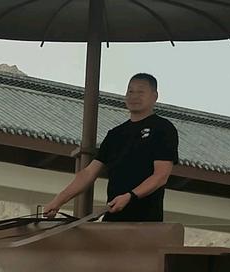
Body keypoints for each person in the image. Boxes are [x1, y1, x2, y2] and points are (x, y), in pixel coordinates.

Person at [43, 73, 178, 222]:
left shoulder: (163, 128)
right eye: (130, 91)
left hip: (146, 222)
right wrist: (58, 201)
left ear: (154, 96)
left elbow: (160, 176)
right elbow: (88, 173)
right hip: (112, 217)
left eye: (140, 92)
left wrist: (130, 196)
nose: (134, 96)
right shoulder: (115, 134)